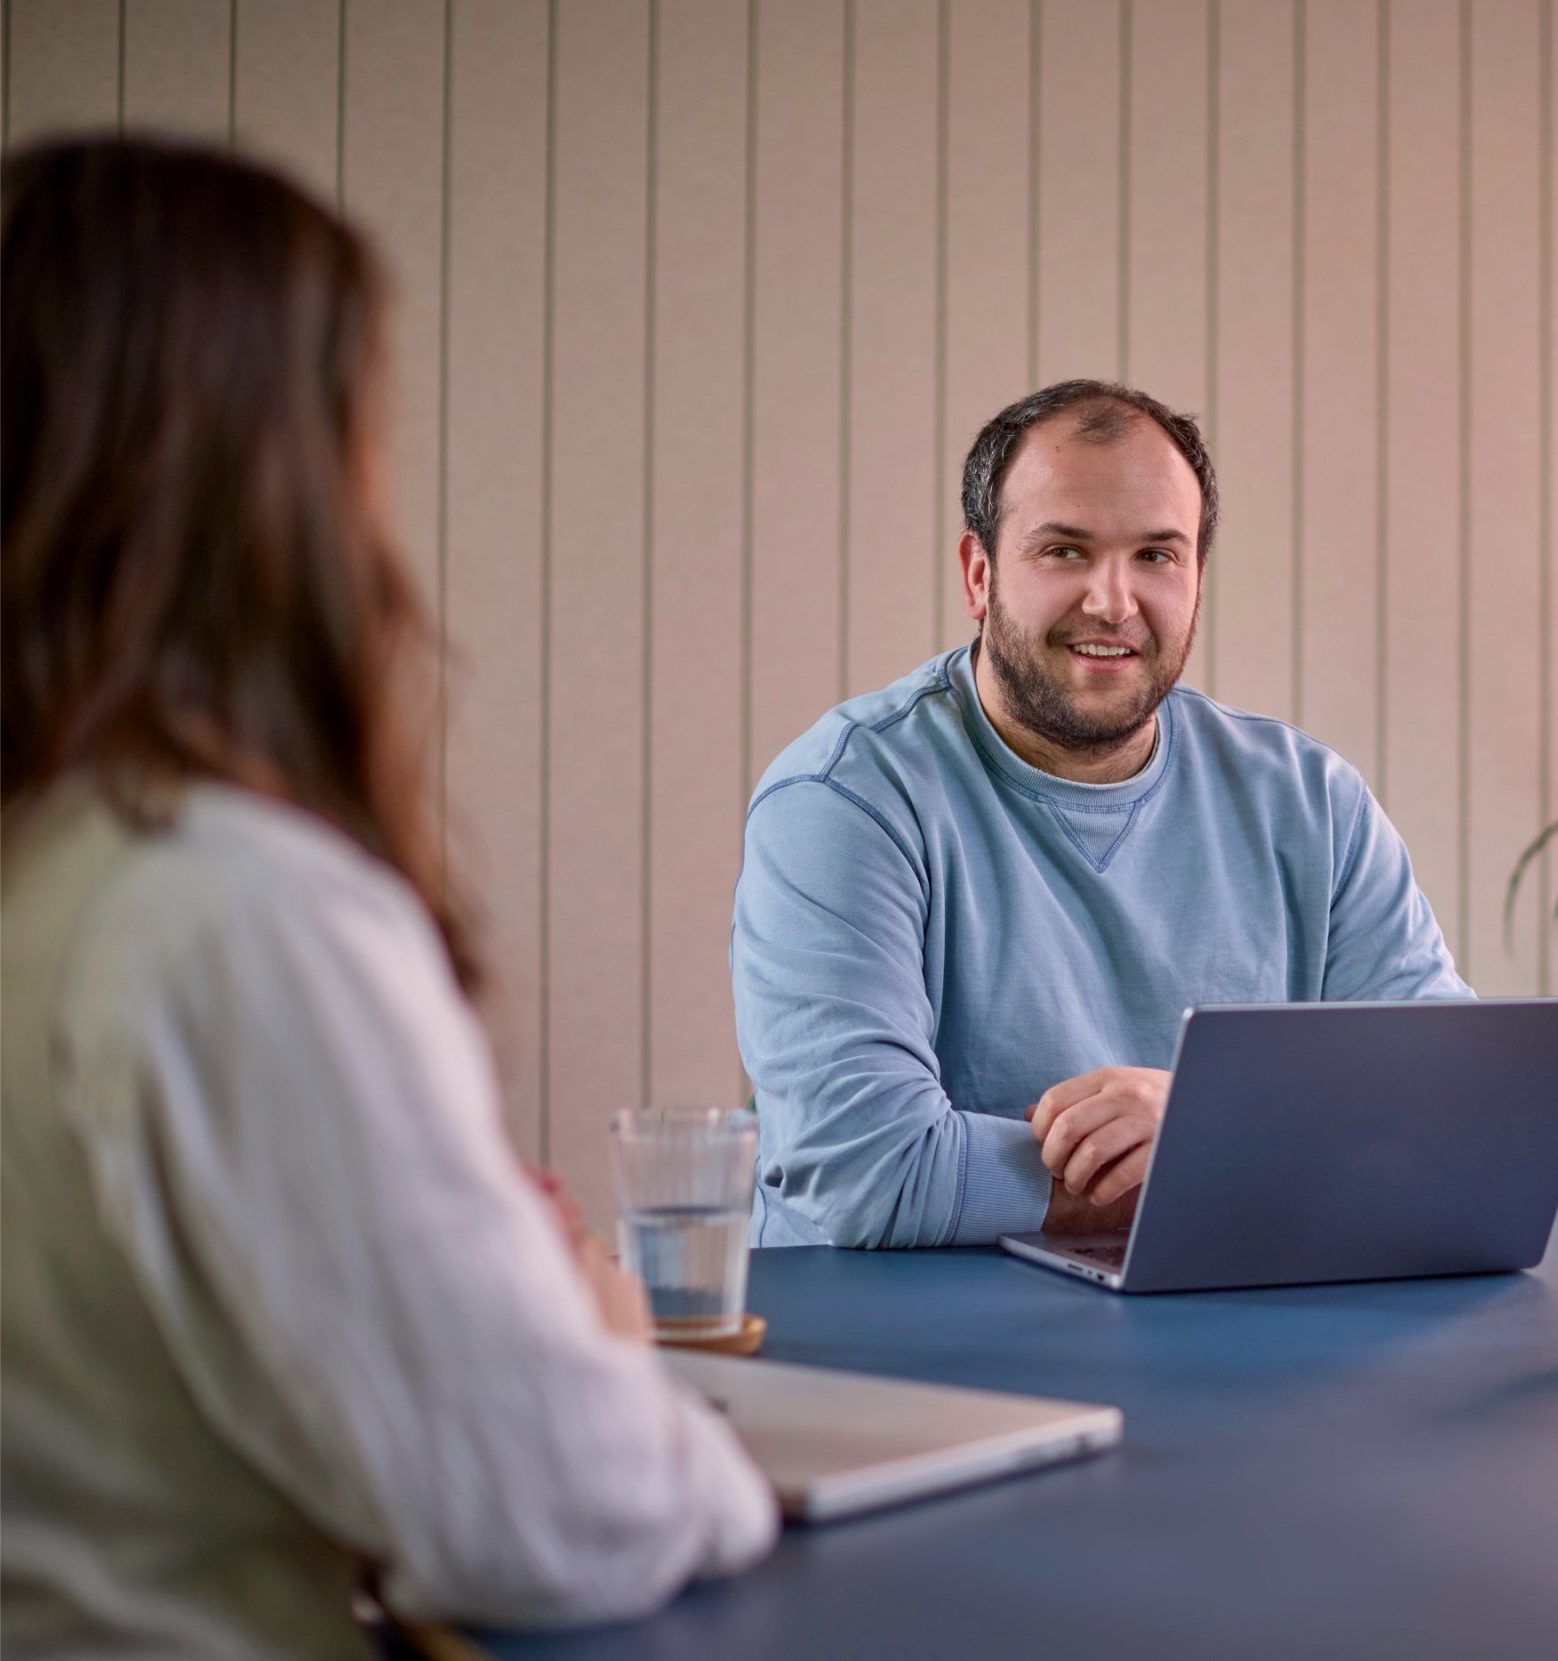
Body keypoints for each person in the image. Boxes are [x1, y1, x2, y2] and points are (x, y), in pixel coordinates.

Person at [0, 137, 776, 1658]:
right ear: (277, 470)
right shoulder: (231, 915)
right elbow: (563, 1519)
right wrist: (609, 1358)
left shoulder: (53, 865)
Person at [734, 379, 1469, 1250]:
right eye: (1065, 551)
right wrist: (1233, 1152)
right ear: (980, 573)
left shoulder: (1314, 804)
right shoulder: (844, 799)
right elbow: (869, 1170)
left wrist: (1207, 1129)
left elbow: (1450, 1121)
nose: (1113, 602)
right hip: (892, 1358)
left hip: (1210, 1338)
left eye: (1157, 556)